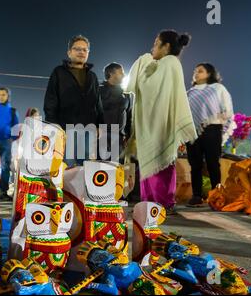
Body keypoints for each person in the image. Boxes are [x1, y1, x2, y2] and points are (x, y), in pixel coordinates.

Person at [126, 30, 197, 214]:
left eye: (156, 43)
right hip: (150, 124)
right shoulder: (159, 64)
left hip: (162, 125)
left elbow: (150, 88)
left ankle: (163, 203)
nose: (151, 48)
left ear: (166, 47)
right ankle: (148, 203)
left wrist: (144, 62)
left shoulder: (170, 63)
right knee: (149, 163)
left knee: (161, 164)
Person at [44, 35, 104, 167]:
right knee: (67, 166)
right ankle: (66, 189)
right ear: (69, 52)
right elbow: (50, 100)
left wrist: (100, 124)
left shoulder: (92, 76)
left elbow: (97, 102)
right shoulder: (59, 73)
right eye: (77, 49)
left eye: (85, 50)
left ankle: (81, 189)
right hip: (65, 128)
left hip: (88, 129)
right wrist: (53, 125)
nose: (81, 52)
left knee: (86, 167)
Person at [186, 63, 235, 207]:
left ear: (209, 74)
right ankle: (196, 195)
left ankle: (216, 195)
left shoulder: (218, 88)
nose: (196, 73)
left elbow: (227, 109)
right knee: (195, 164)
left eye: (200, 71)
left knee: (213, 163)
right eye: (195, 71)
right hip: (193, 131)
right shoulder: (189, 92)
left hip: (212, 128)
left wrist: (221, 116)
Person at [100, 63, 133, 162]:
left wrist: (128, 136)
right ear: (111, 73)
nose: (123, 75)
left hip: (119, 138)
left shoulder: (127, 95)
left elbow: (129, 117)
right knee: (102, 170)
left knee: (118, 170)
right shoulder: (98, 91)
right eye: (121, 72)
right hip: (102, 137)